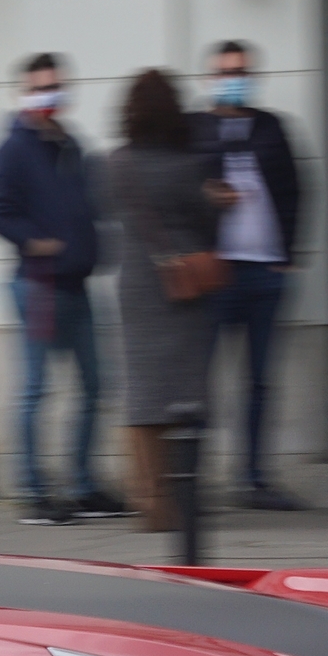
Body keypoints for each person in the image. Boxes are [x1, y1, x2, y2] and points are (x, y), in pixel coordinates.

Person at [0, 54, 129, 525]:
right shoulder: (11, 149)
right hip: (38, 284)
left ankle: (82, 485)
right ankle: (34, 492)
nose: (49, 96)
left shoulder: (72, 144)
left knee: (96, 384)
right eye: (40, 88)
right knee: (36, 390)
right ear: (22, 93)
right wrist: (34, 241)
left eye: (55, 87)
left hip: (78, 282)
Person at [190, 41, 307, 511]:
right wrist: (208, 196)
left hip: (265, 272)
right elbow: (180, 191)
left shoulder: (271, 126)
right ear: (210, 78)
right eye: (224, 72)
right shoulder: (196, 128)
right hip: (217, 273)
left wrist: (289, 254)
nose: (233, 79)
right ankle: (191, 478)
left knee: (259, 381)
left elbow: (298, 189)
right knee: (200, 382)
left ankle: (254, 477)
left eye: (240, 71)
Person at [109, 69, 227, 533]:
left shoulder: (115, 163)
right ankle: (185, 495)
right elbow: (207, 227)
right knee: (186, 397)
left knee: (141, 397)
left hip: (136, 286)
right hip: (183, 289)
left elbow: (108, 211)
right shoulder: (188, 165)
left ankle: (149, 499)